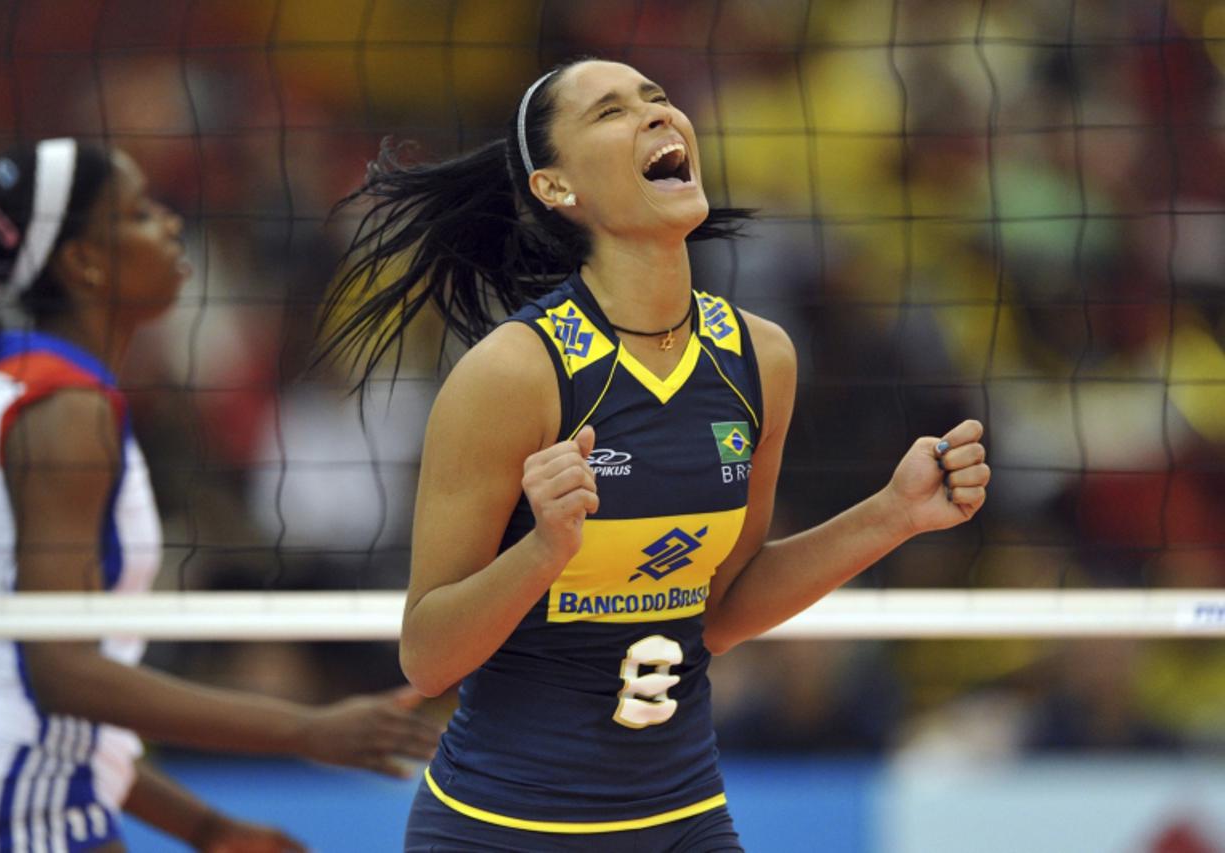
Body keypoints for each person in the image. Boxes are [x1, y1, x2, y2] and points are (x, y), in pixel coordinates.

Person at [324, 59, 990, 851]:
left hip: (681, 821)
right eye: (610, 111)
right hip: (501, 827)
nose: (656, 116)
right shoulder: (515, 371)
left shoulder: (759, 356)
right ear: (556, 187)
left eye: (660, 98)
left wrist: (893, 514)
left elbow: (723, 608)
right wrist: (544, 550)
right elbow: (428, 657)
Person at [0, 139, 441, 853]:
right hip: (20, 794)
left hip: (29, 783)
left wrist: (207, 826)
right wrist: (306, 728)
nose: (171, 224)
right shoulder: (64, 408)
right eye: (141, 213)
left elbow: (49, 694)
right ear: (83, 261)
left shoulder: (18, 386)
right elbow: (57, 673)